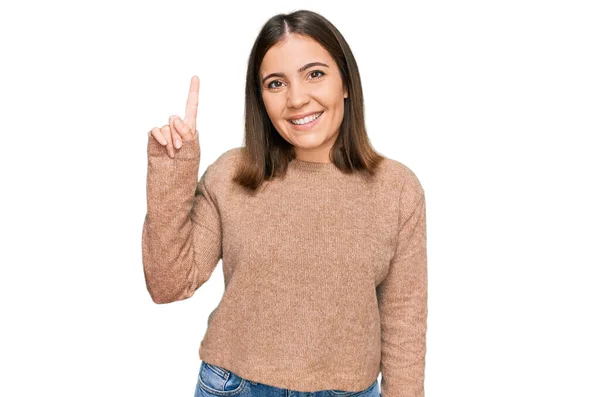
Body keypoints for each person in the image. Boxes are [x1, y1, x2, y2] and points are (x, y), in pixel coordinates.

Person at [142, 9, 427, 397]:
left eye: (314, 74)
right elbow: (168, 283)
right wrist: (173, 171)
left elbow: (404, 324)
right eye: (276, 83)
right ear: (260, 98)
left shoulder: (397, 189)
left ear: (345, 81)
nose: (296, 99)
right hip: (236, 388)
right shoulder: (231, 175)